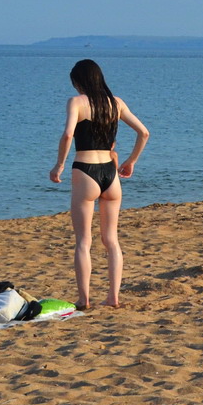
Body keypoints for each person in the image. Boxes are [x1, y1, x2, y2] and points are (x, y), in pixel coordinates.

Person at [50, 59, 149, 309]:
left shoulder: (76, 102)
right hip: (110, 172)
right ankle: (113, 298)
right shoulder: (116, 103)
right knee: (111, 240)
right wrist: (131, 161)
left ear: (79, 82)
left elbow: (68, 134)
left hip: (85, 170)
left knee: (84, 241)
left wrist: (59, 165)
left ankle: (84, 299)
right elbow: (144, 133)